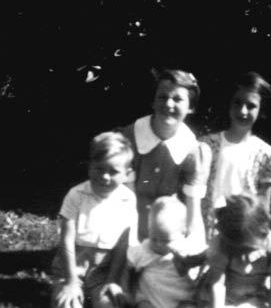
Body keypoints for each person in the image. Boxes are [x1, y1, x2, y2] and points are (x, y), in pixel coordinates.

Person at [121, 68, 212, 242]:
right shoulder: (130, 137)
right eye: (162, 97)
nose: (168, 104)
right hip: (126, 226)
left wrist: (193, 247)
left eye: (177, 99)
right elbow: (123, 198)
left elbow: (193, 212)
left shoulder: (193, 150)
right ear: (153, 102)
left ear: (190, 107)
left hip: (167, 237)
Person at [50, 132, 138, 308]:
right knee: (66, 304)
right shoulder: (76, 195)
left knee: (109, 304)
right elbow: (66, 240)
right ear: (90, 166)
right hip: (73, 265)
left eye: (113, 172)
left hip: (105, 269)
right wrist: (70, 281)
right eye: (99, 168)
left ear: (127, 174)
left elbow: (123, 243)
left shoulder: (127, 199)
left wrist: (112, 280)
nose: (105, 177)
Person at [206, 71, 271, 213]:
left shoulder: (266, 154)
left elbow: (263, 206)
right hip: (206, 227)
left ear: (262, 110)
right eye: (237, 102)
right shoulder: (206, 145)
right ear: (229, 103)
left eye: (251, 106)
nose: (242, 111)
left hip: (243, 230)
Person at [201, 194, 271, 308]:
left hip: (255, 297)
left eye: (250, 249)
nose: (246, 257)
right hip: (225, 297)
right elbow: (218, 285)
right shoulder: (222, 246)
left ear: (263, 229)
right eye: (240, 250)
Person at [127, 196, 204, 308]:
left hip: (181, 299)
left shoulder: (186, 249)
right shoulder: (143, 249)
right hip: (150, 299)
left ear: (183, 233)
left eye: (166, 240)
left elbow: (204, 257)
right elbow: (127, 264)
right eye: (154, 238)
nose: (158, 244)